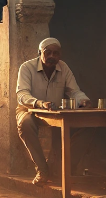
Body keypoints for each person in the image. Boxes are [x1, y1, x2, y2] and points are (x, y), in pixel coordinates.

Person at [16, 38, 90, 185]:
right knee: (25, 124)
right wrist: (39, 103)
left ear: (60, 55)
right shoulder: (27, 67)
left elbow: (74, 91)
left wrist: (83, 100)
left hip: (55, 112)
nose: (52, 56)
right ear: (39, 53)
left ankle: (62, 168)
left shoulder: (64, 68)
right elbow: (22, 94)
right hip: (30, 109)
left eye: (56, 53)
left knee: (89, 125)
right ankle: (42, 170)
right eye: (48, 52)